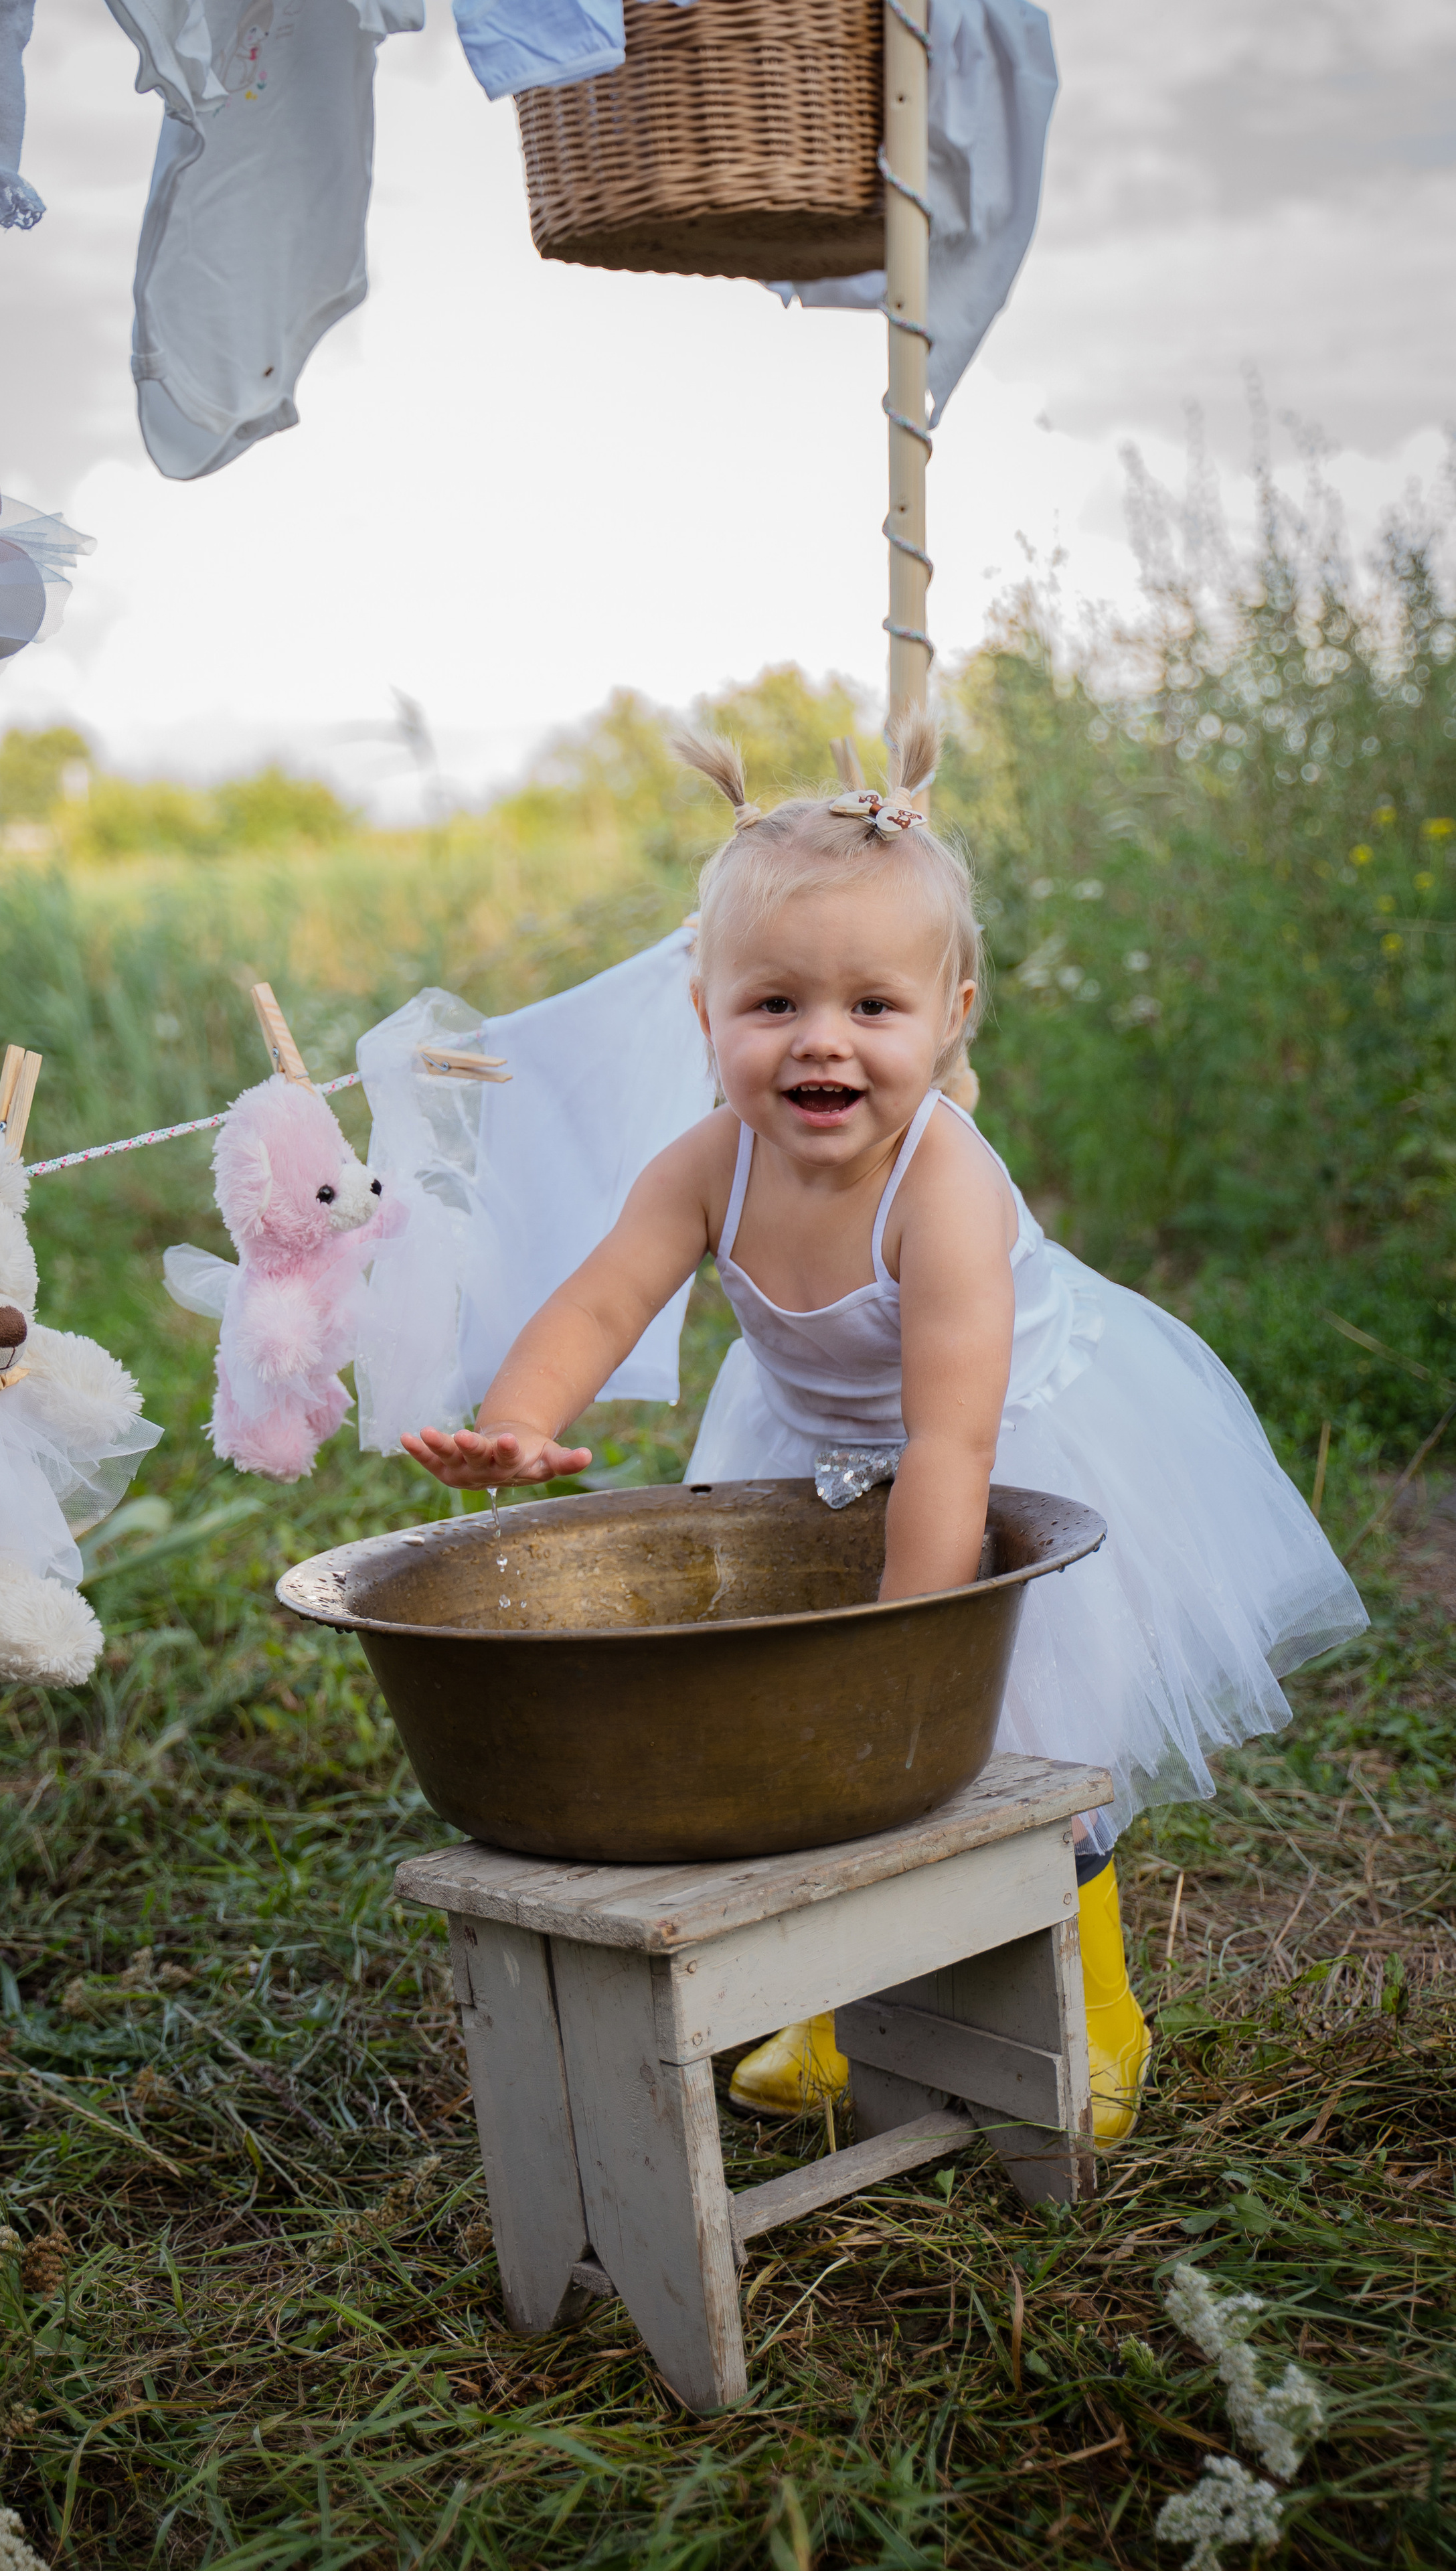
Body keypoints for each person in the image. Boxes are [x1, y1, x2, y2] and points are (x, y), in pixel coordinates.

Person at [402, 712, 1366, 2145]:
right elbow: (601, 1300)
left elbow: (955, 1449)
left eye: (872, 1007)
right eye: (774, 1004)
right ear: (702, 1013)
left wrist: (908, 1650)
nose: (821, 1044)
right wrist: (519, 1420)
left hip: (1013, 1452)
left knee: (1018, 1738)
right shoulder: (706, 1162)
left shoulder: (944, 1187)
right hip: (815, 1448)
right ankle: (833, 2005)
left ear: (952, 1013)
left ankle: (1084, 2010)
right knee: (803, 1748)